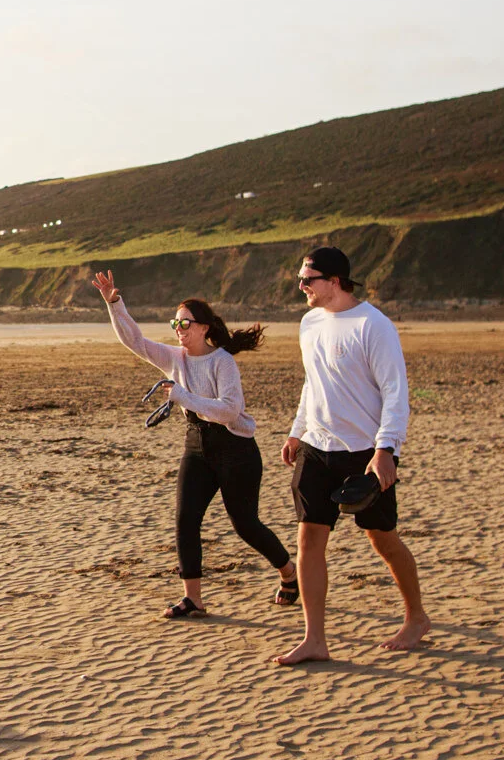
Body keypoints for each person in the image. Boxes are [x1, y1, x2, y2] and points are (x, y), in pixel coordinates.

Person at [93, 271, 297, 618]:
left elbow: (230, 410)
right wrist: (115, 304)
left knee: (245, 524)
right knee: (185, 520)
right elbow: (135, 342)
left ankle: (288, 572)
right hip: (197, 445)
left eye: (185, 323)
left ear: (204, 327)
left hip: (236, 449)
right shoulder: (176, 359)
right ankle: (194, 599)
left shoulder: (223, 362)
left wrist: (184, 395)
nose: (179, 329)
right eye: (176, 323)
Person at [274, 246, 429, 664]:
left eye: (308, 280)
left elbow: (396, 393)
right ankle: (314, 639)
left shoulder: (374, 326)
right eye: (300, 279)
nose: (301, 287)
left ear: (335, 282)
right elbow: (313, 383)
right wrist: (296, 431)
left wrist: (385, 452)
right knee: (309, 538)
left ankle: (416, 617)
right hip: (316, 447)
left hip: (364, 452)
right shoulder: (308, 323)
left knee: (382, 539)